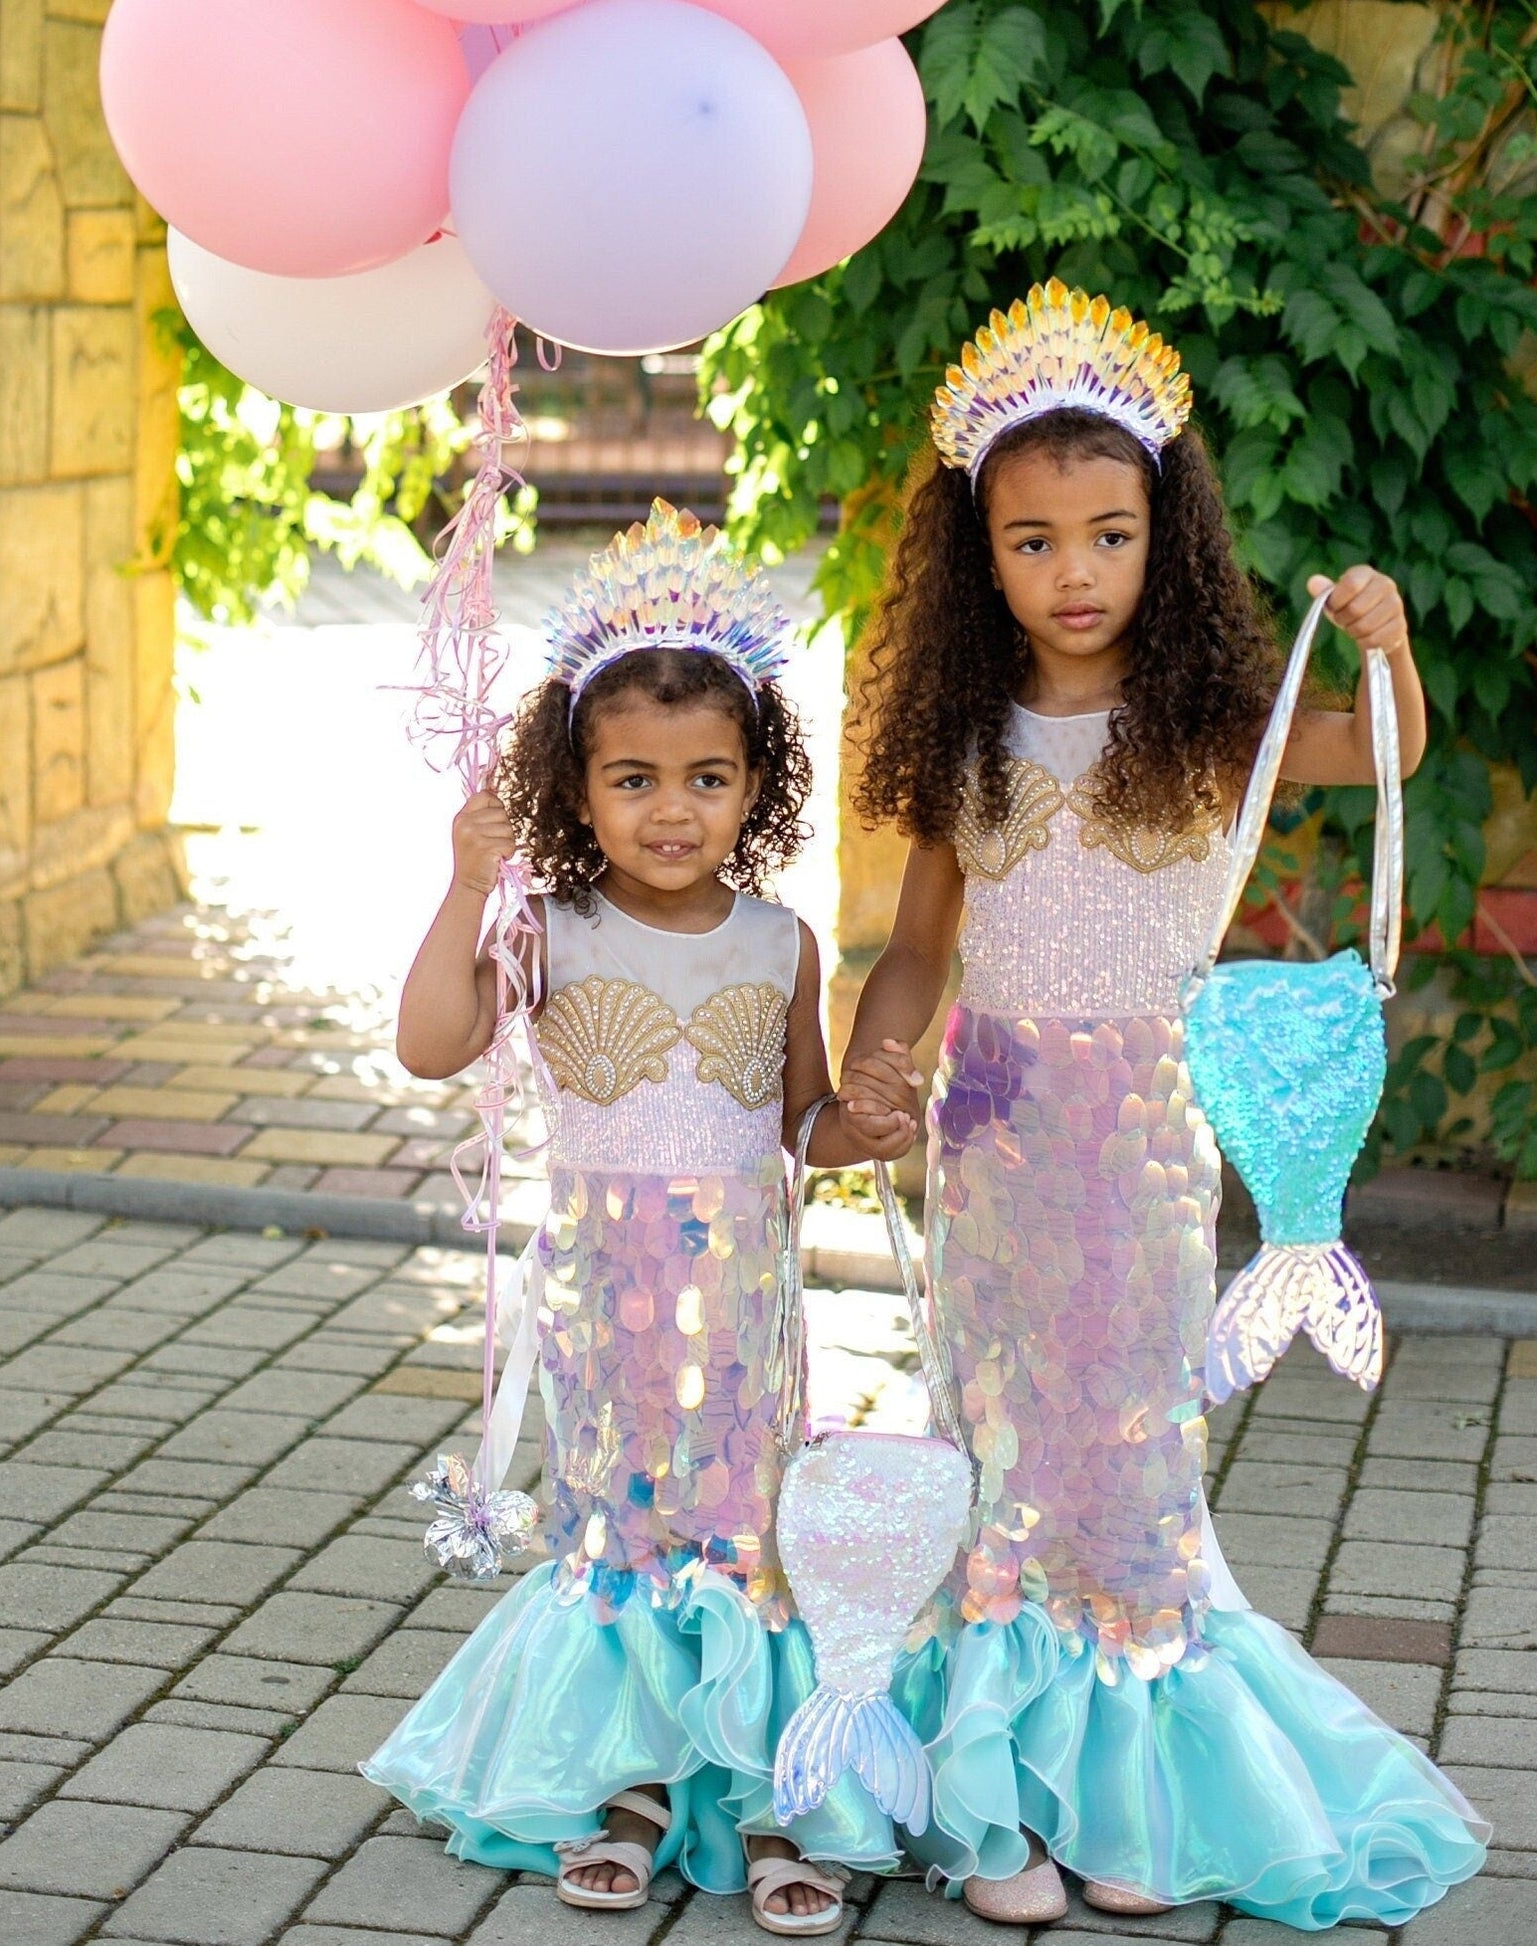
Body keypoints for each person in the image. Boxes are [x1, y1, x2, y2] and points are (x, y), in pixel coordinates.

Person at [838, 284, 1490, 1929]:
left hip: (1139, 1140)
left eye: (1108, 535)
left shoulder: (1205, 723)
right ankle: (995, 1798)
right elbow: (917, 950)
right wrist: (873, 1061)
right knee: (997, 1436)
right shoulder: (969, 738)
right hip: (991, 1137)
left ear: (1162, 539)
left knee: (1130, 1438)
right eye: (1033, 540)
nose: (1073, 571)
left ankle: (1123, 1780)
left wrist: (1388, 644)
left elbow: (1387, 751)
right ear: (981, 554)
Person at [363, 503, 915, 1939]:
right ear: (576, 786)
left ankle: (772, 1790)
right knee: (624, 1525)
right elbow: (428, 1043)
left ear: (755, 784)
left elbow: (800, 1122)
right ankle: (628, 1785)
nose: (673, 810)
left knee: (746, 1531)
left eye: (707, 778)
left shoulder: (779, 940)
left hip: (743, 1322)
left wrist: (864, 1127)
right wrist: (465, 884)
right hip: (606, 1315)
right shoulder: (548, 930)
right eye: (632, 779)